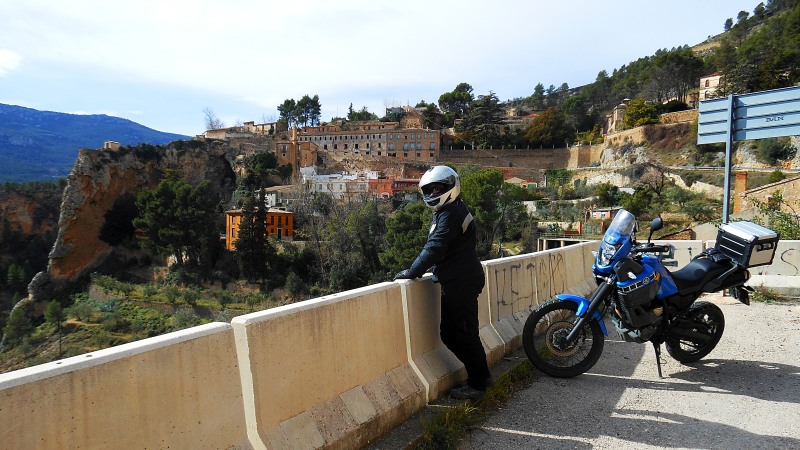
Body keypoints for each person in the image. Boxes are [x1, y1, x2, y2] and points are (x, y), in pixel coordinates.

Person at [394, 165, 492, 400]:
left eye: (437, 188)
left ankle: (479, 383)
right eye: (428, 190)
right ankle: (480, 377)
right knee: (449, 333)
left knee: (465, 334)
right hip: (456, 280)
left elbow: (435, 247)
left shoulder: (450, 213)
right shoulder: (448, 210)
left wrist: (412, 271)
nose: (432, 193)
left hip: (461, 280)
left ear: (451, 185)